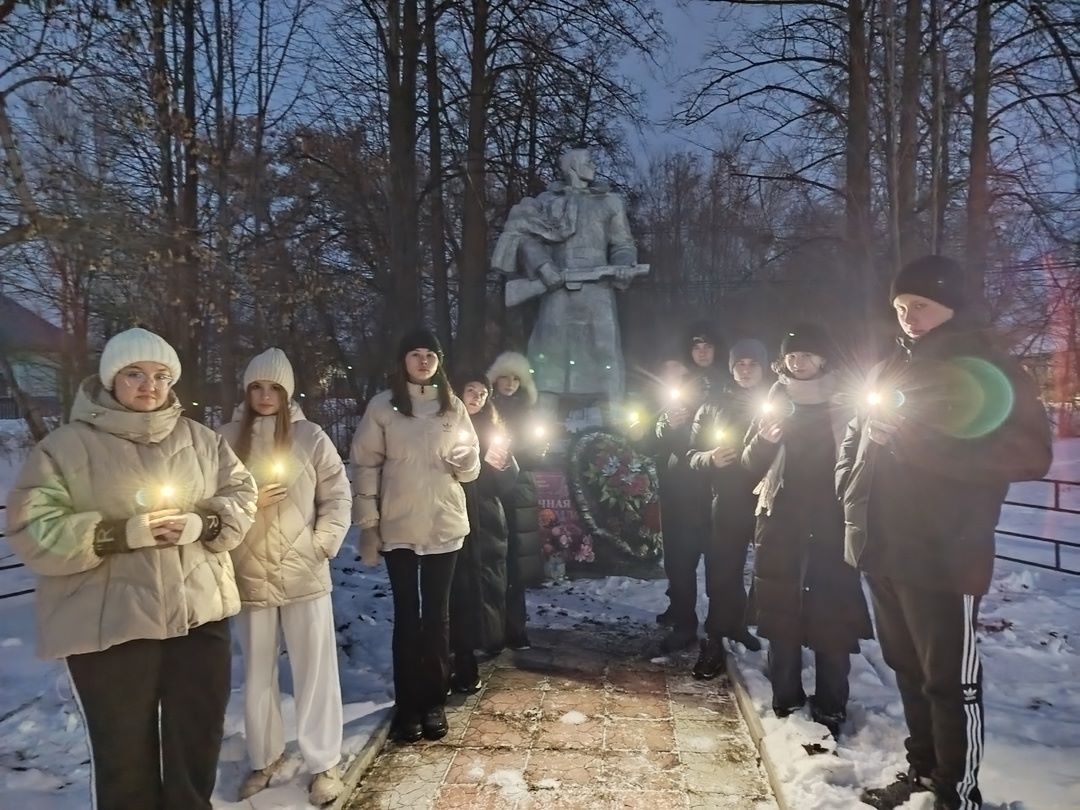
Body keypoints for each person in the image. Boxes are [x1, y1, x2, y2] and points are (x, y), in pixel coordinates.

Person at [5, 327, 257, 810]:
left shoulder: (202, 441)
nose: (150, 385)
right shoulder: (66, 448)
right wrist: (117, 534)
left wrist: (203, 522)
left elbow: (243, 496)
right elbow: (31, 528)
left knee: (197, 743)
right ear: (110, 379)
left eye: (161, 375)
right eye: (135, 374)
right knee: (125, 759)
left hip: (197, 619)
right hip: (109, 627)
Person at [840, 256, 1052, 810]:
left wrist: (917, 439)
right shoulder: (894, 362)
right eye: (900, 306)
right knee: (906, 669)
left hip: (946, 553)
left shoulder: (988, 366)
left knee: (948, 681)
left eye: (920, 306)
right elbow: (862, 438)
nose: (908, 316)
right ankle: (923, 769)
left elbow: (1031, 454)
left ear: (951, 305)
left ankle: (957, 790)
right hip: (886, 545)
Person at [218, 348, 351, 806]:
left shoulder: (311, 437)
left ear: (287, 391)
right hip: (249, 572)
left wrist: (322, 543)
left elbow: (338, 496)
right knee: (257, 673)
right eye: (257, 386)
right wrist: (247, 504)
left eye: (274, 387)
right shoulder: (225, 439)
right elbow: (210, 504)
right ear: (246, 389)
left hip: (303, 572)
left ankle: (324, 761)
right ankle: (265, 756)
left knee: (316, 670)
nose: (265, 395)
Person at [741, 323, 873, 737]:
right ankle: (786, 697)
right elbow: (749, 464)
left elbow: (865, 464)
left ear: (822, 359)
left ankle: (832, 704)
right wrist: (763, 442)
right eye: (791, 356)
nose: (797, 362)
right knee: (782, 616)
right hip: (782, 523)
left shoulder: (846, 405)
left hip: (832, 524)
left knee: (832, 619)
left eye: (805, 355)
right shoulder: (773, 402)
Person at [351, 328, 480, 743]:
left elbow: (470, 468)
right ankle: (408, 706)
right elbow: (365, 465)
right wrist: (368, 524)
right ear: (402, 361)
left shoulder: (452, 406)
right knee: (408, 617)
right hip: (399, 525)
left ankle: (434, 702)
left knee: (438, 617)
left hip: (443, 523)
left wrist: (468, 460)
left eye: (431, 354)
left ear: (439, 361)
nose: (424, 361)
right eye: (415, 354)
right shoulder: (383, 406)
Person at [492, 147, 644, 404]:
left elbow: (623, 245)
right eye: (589, 161)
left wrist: (623, 264)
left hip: (599, 291)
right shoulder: (546, 202)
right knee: (548, 361)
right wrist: (543, 267)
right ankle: (540, 431)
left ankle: (616, 430)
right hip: (556, 290)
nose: (594, 165)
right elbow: (522, 237)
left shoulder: (610, 202)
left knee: (608, 357)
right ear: (572, 167)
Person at [687, 338, 771, 679]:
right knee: (724, 569)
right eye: (740, 364)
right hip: (728, 498)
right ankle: (718, 633)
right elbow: (691, 455)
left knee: (769, 570)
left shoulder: (776, 403)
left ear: (764, 368)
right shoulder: (712, 406)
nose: (746, 370)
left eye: (752, 363)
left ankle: (747, 625)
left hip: (769, 499)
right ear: (732, 368)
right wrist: (710, 458)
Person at [449, 370, 520, 691]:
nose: (476, 397)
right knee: (459, 585)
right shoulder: (447, 425)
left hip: (489, 518)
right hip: (456, 513)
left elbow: (508, 481)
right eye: (471, 390)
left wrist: (502, 464)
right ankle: (459, 650)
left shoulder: (494, 430)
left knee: (489, 581)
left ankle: (489, 638)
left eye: (482, 393)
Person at [651, 357, 713, 653]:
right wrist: (666, 426)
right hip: (676, 495)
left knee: (713, 569)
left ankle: (716, 628)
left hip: (709, 494)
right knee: (678, 565)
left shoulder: (715, 404)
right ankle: (683, 621)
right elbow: (655, 443)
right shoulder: (671, 408)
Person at [487, 350, 544, 650]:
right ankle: (492, 628)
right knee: (491, 560)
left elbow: (533, 451)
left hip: (518, 490)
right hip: (490, 490)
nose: (509, 384)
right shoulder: (485, 410)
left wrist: (535, 449)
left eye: (515, 379)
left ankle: (516, 627)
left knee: (516, 560)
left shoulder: (527, 412)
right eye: (504, 378)